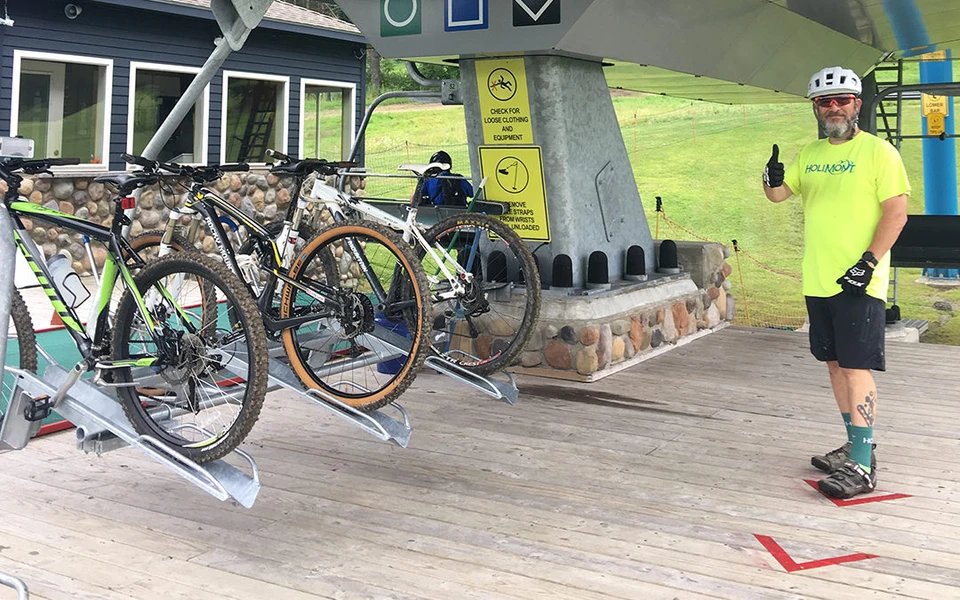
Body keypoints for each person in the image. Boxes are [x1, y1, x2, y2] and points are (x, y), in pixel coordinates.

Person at [762, 66, 909, 499]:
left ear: (857, 104)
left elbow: (896, 214)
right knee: (834, 363)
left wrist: (868, 263)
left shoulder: (879, 153)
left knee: (856, 366)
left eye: (842, 100)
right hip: (819, 278)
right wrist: (770, 179)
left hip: (860, 281)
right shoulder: (810, 153)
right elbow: (780, 195)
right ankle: (854, 444)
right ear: (816, 108)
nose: (834, 108)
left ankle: (863, 466)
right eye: (825, 102)